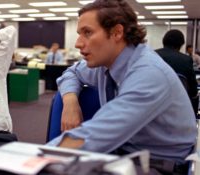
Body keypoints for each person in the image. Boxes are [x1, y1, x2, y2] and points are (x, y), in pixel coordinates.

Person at [47, 0, 197, 174]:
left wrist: (36, 158)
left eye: (87, 33)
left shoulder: (148, 74)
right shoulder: (104, 65)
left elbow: (95, 135)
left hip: (157, 166)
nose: (78, 43)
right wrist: (70, 101)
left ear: (117, 32)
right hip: (121, 156)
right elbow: (71, 73)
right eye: (80, 33)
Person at [156, 30, 199, 116]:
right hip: (178, 109)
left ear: (163, 41)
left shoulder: (152, 55)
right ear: (181, 44)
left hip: (153, 106)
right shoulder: (186, 60)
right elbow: (193, 90)